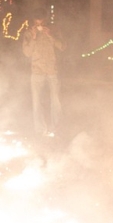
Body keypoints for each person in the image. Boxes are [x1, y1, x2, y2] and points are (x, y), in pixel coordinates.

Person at [22, 7, 65, 137]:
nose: (39, 26)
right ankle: (40, 130)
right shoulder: (28, 34)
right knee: (37, 101)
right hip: (37, 71)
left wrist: (50, 36)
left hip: (52, 70)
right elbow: (27, 53)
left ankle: (56, 128)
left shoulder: (54, 31)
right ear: (33, 22)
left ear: (46, 22)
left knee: (55, 101)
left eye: (42, 24)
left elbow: (62, 47)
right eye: (37, 24)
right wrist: (34, 37)